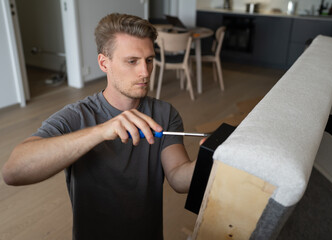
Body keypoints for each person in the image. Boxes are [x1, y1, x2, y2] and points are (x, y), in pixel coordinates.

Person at [2, 13, 196, 240]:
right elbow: (13, 172)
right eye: (132, 61)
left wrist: (211, 158)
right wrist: (101, 131)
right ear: (104, 63)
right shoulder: (75, 117)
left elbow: (178, 178)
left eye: (149, 60)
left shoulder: (165, 113)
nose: (145, 72)